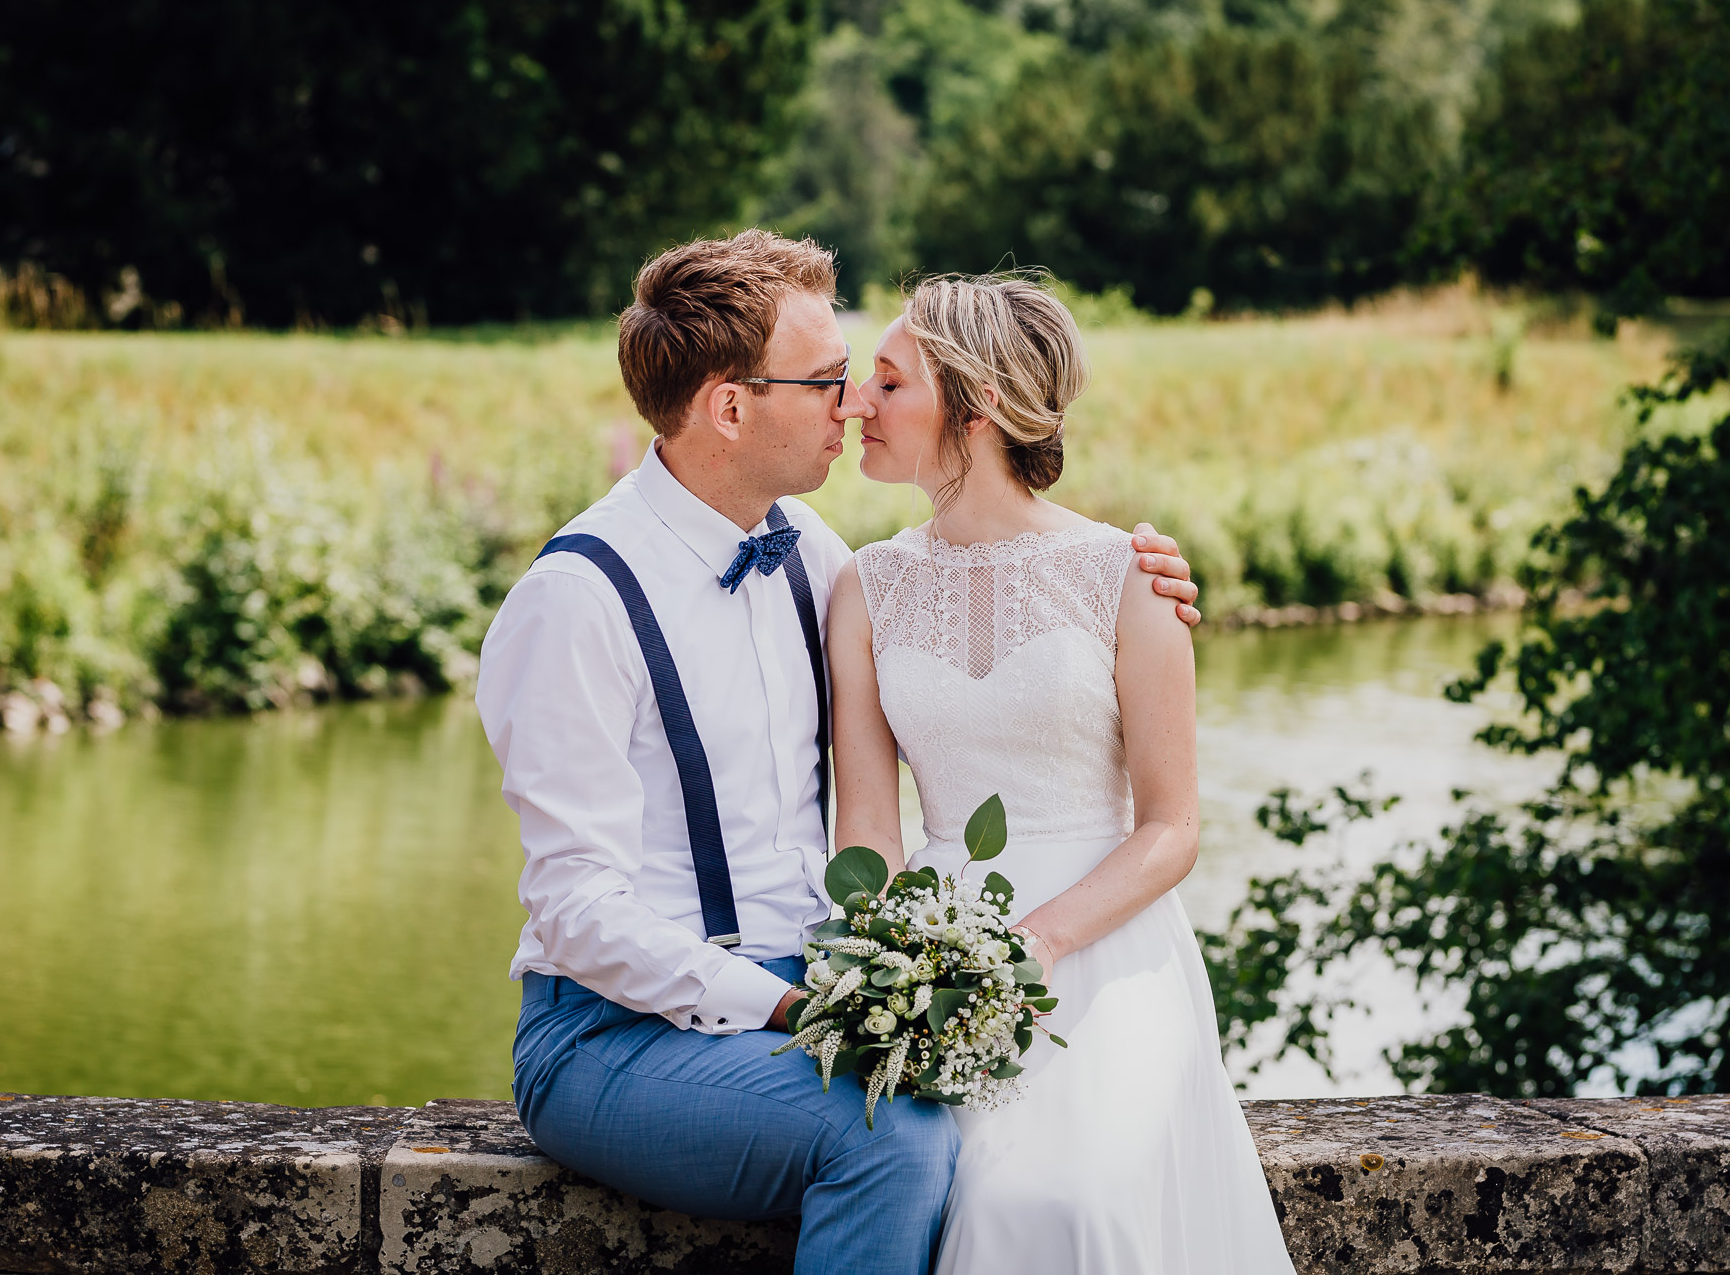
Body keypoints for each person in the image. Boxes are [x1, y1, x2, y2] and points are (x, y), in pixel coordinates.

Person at [475, 231, 1201, 1275]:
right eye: (825, 381)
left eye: (862, 379)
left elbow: (998, 575)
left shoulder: (819, 558)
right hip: (612, 1035)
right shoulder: (576, 601)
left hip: (804, 1001)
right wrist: (791, 1002)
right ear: (731, 407)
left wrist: (1148, 583)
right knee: (892, 1138)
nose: (852, 402)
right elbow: (577, 911)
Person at [829, 274, 1295, 1274]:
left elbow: (1172, 825)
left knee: (1065, 1200)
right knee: (954, 1185)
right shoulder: (862, 587)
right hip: (939, 954)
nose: (857, 403)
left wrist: (1036, 940)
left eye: (889, 381)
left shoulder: (1127, 573)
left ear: (978, 403)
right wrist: (881, 974)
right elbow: (867, 824)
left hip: (1106, 943)